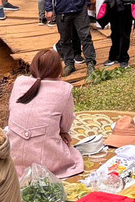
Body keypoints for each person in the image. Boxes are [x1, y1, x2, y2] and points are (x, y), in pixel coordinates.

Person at [6, 50, 83, 178]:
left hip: (13, 157)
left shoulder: (19, 82)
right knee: (70, 152)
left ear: (33, 67)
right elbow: (66, 123)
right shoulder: (64, 90)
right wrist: (63, 132)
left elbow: (12, 109)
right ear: (59, 70)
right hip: (46, 163)